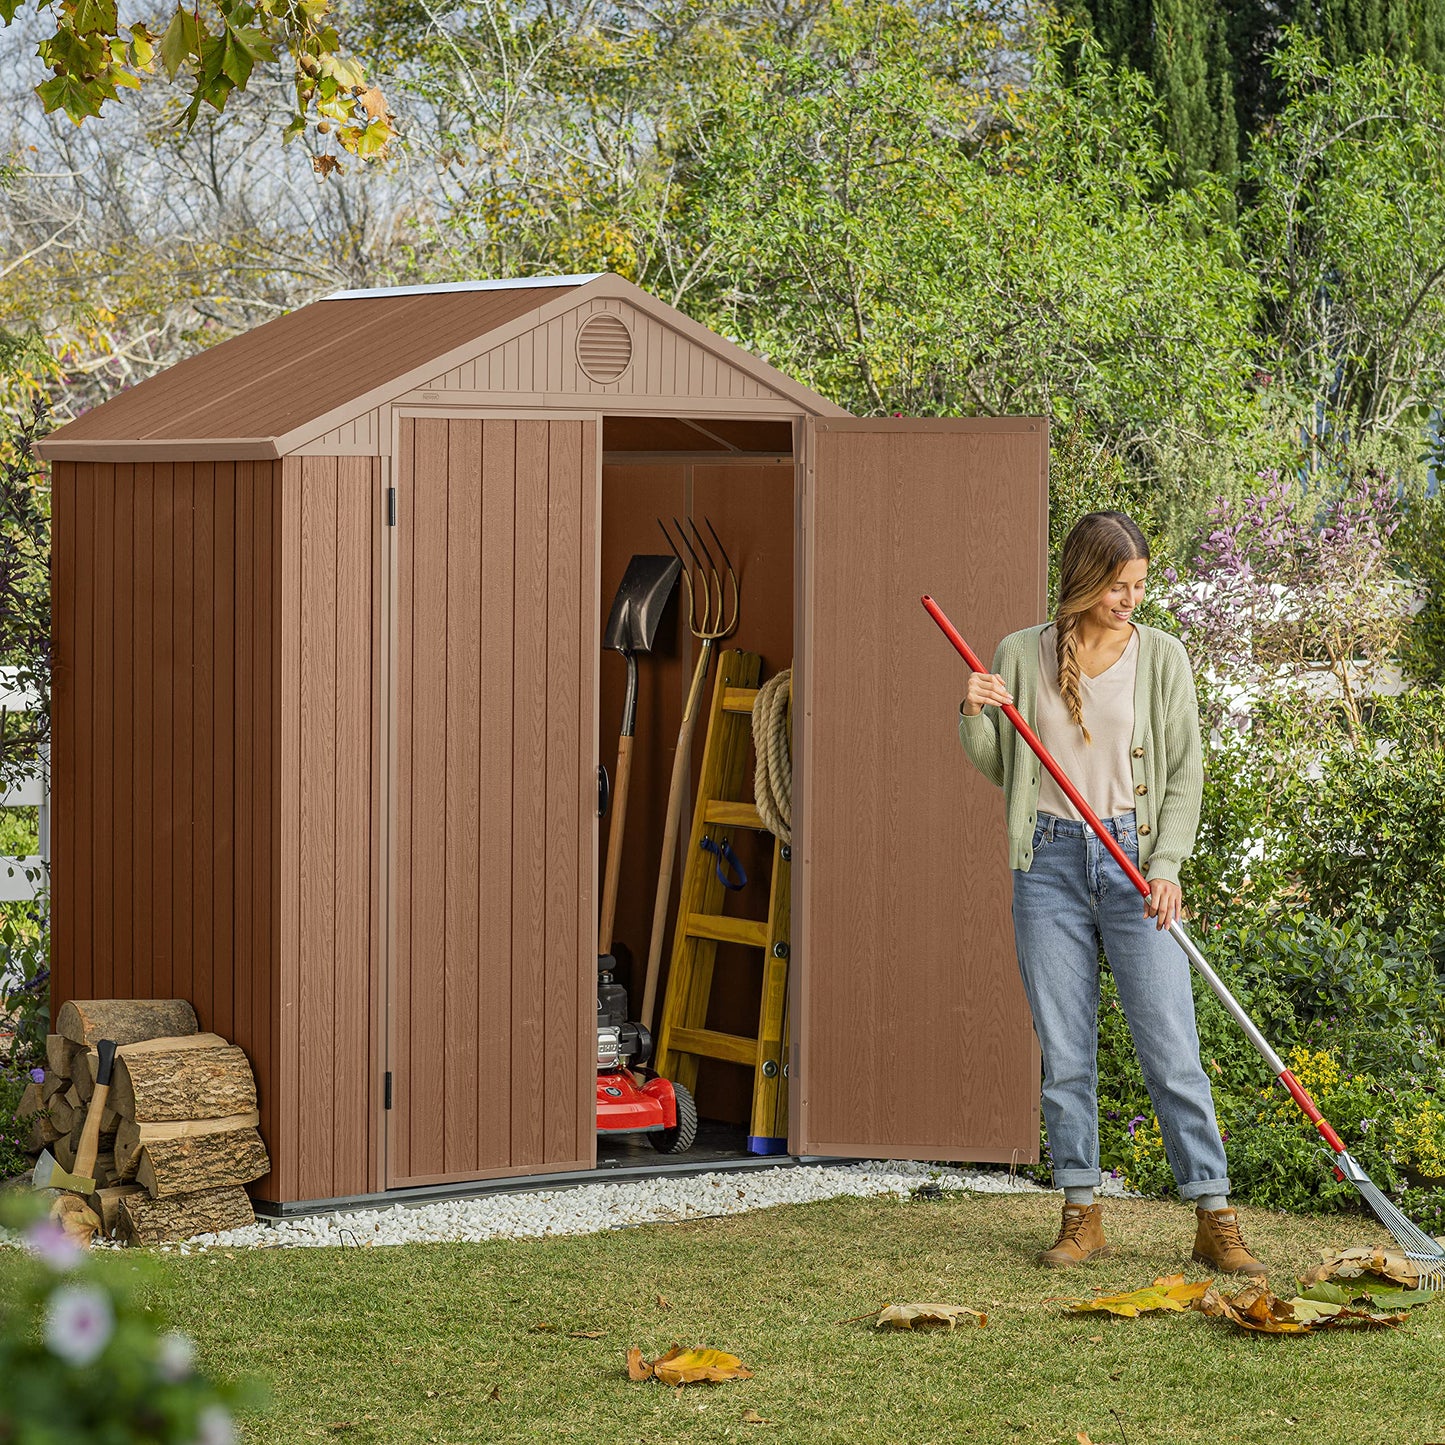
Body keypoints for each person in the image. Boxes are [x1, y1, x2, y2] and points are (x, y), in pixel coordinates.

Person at [957, 511, 1265, 1275]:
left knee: (1172, 1050)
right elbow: (1005, 768)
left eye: (1138, 586)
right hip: (1048, 863)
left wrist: (1166, 863)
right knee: (1065, 1052)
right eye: (1119, 586)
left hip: (1133, 862)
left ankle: (1213, 1214)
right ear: (1085, 578)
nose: (1131, 599)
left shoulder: (1162, 657)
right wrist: (974, 711)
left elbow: (1185, 773)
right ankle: (1079, 1212)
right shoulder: (1018, 654)